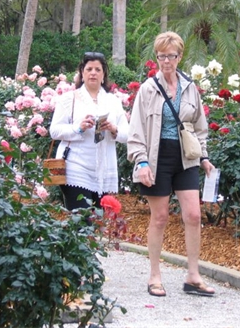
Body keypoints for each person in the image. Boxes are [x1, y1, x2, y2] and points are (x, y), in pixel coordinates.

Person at [128, 31, 216, 298]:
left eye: (171, 56)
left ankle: (193, 276)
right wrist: (141, 161)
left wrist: (203, 156)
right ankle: (154, 276)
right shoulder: (148, 89)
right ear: (156, 57)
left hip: (185, 158)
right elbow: (136, 130)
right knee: (160, 217)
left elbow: (199, 127)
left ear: (180, 57)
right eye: (161, 56)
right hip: (157, 158)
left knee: (193, 215)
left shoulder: (190, 87)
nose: (166, 61)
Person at [49, 52, 129, 210]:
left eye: (98, 70)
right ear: (82, 73)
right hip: (75, 167)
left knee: (99, 223)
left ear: (104, 74)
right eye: (89, 69)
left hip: (104, 171)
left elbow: (127, 134)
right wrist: (79, 127)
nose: (93, 73)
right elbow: (54, 131)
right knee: (82, 222)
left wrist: (114, 129)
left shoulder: (113, 101)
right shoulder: (69, 99)